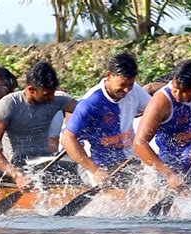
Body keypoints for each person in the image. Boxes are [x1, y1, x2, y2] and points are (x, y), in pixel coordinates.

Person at [0, 61, 77, 188]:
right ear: (31, 89)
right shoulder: (9, 104)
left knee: (77, 167)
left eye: (53, 93)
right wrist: (16, 174)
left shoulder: (57, 99)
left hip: (45, 160)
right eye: (46, 94)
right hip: (19, 165)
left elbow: (88, 112)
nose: (51, 98)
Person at [62, 52, 151, 186]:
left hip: (130, 161)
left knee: (152, 182)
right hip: (98, 165)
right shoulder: (90, 103)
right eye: (122, 85)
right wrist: (95, 171)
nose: (127, 90)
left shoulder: (135, 91)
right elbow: (67, 139)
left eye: (130, 84)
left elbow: (157, 113)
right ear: (109, 76)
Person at [134, 60, 191, 188]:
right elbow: (139, 144)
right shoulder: (161, 102)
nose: (178, 96)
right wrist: (169, 174)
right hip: (173, 158)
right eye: (175, 89)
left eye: (184, 91)